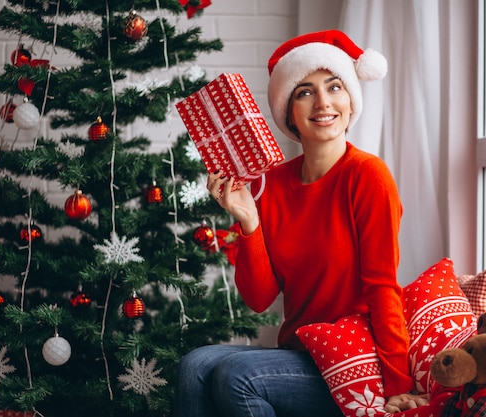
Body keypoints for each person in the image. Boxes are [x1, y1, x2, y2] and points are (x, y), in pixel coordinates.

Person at [173, 30, 427, 417]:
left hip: (354, 359)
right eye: (305, 92)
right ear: (288, 112)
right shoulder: (272, 183)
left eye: (335, 87)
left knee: (236, 375)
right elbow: (259, 300)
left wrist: (398, 385)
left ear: (350, 99)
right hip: (301, 354)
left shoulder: (367, 176)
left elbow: (382, 287)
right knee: (194, 366)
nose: (323, 102)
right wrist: (248, 221)